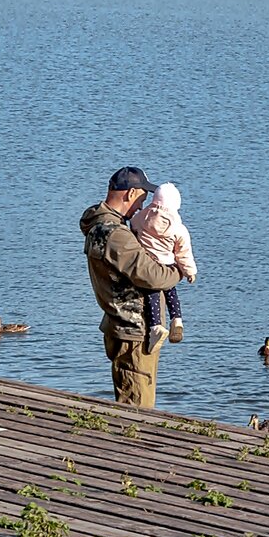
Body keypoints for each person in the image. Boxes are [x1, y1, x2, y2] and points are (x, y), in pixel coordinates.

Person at [80, 166, 181, 408]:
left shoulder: (98, 226)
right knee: (138, 410)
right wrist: (179, 267)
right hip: (134, 332)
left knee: (128, 401)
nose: (143, 209)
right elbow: (155, 276)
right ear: (130, 193)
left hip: (119, 326)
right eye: (142, 200)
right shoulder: (117, 236)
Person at [130, 182, 197, 351]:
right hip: (168, 265)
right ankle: (177, 319)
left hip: (148, 264)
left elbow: (133, 226)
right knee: (170, 291)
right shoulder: (178, 228)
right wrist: (190, 272)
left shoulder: (142, 217)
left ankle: (155, 327)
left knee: (152, 293)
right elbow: (184, 252)